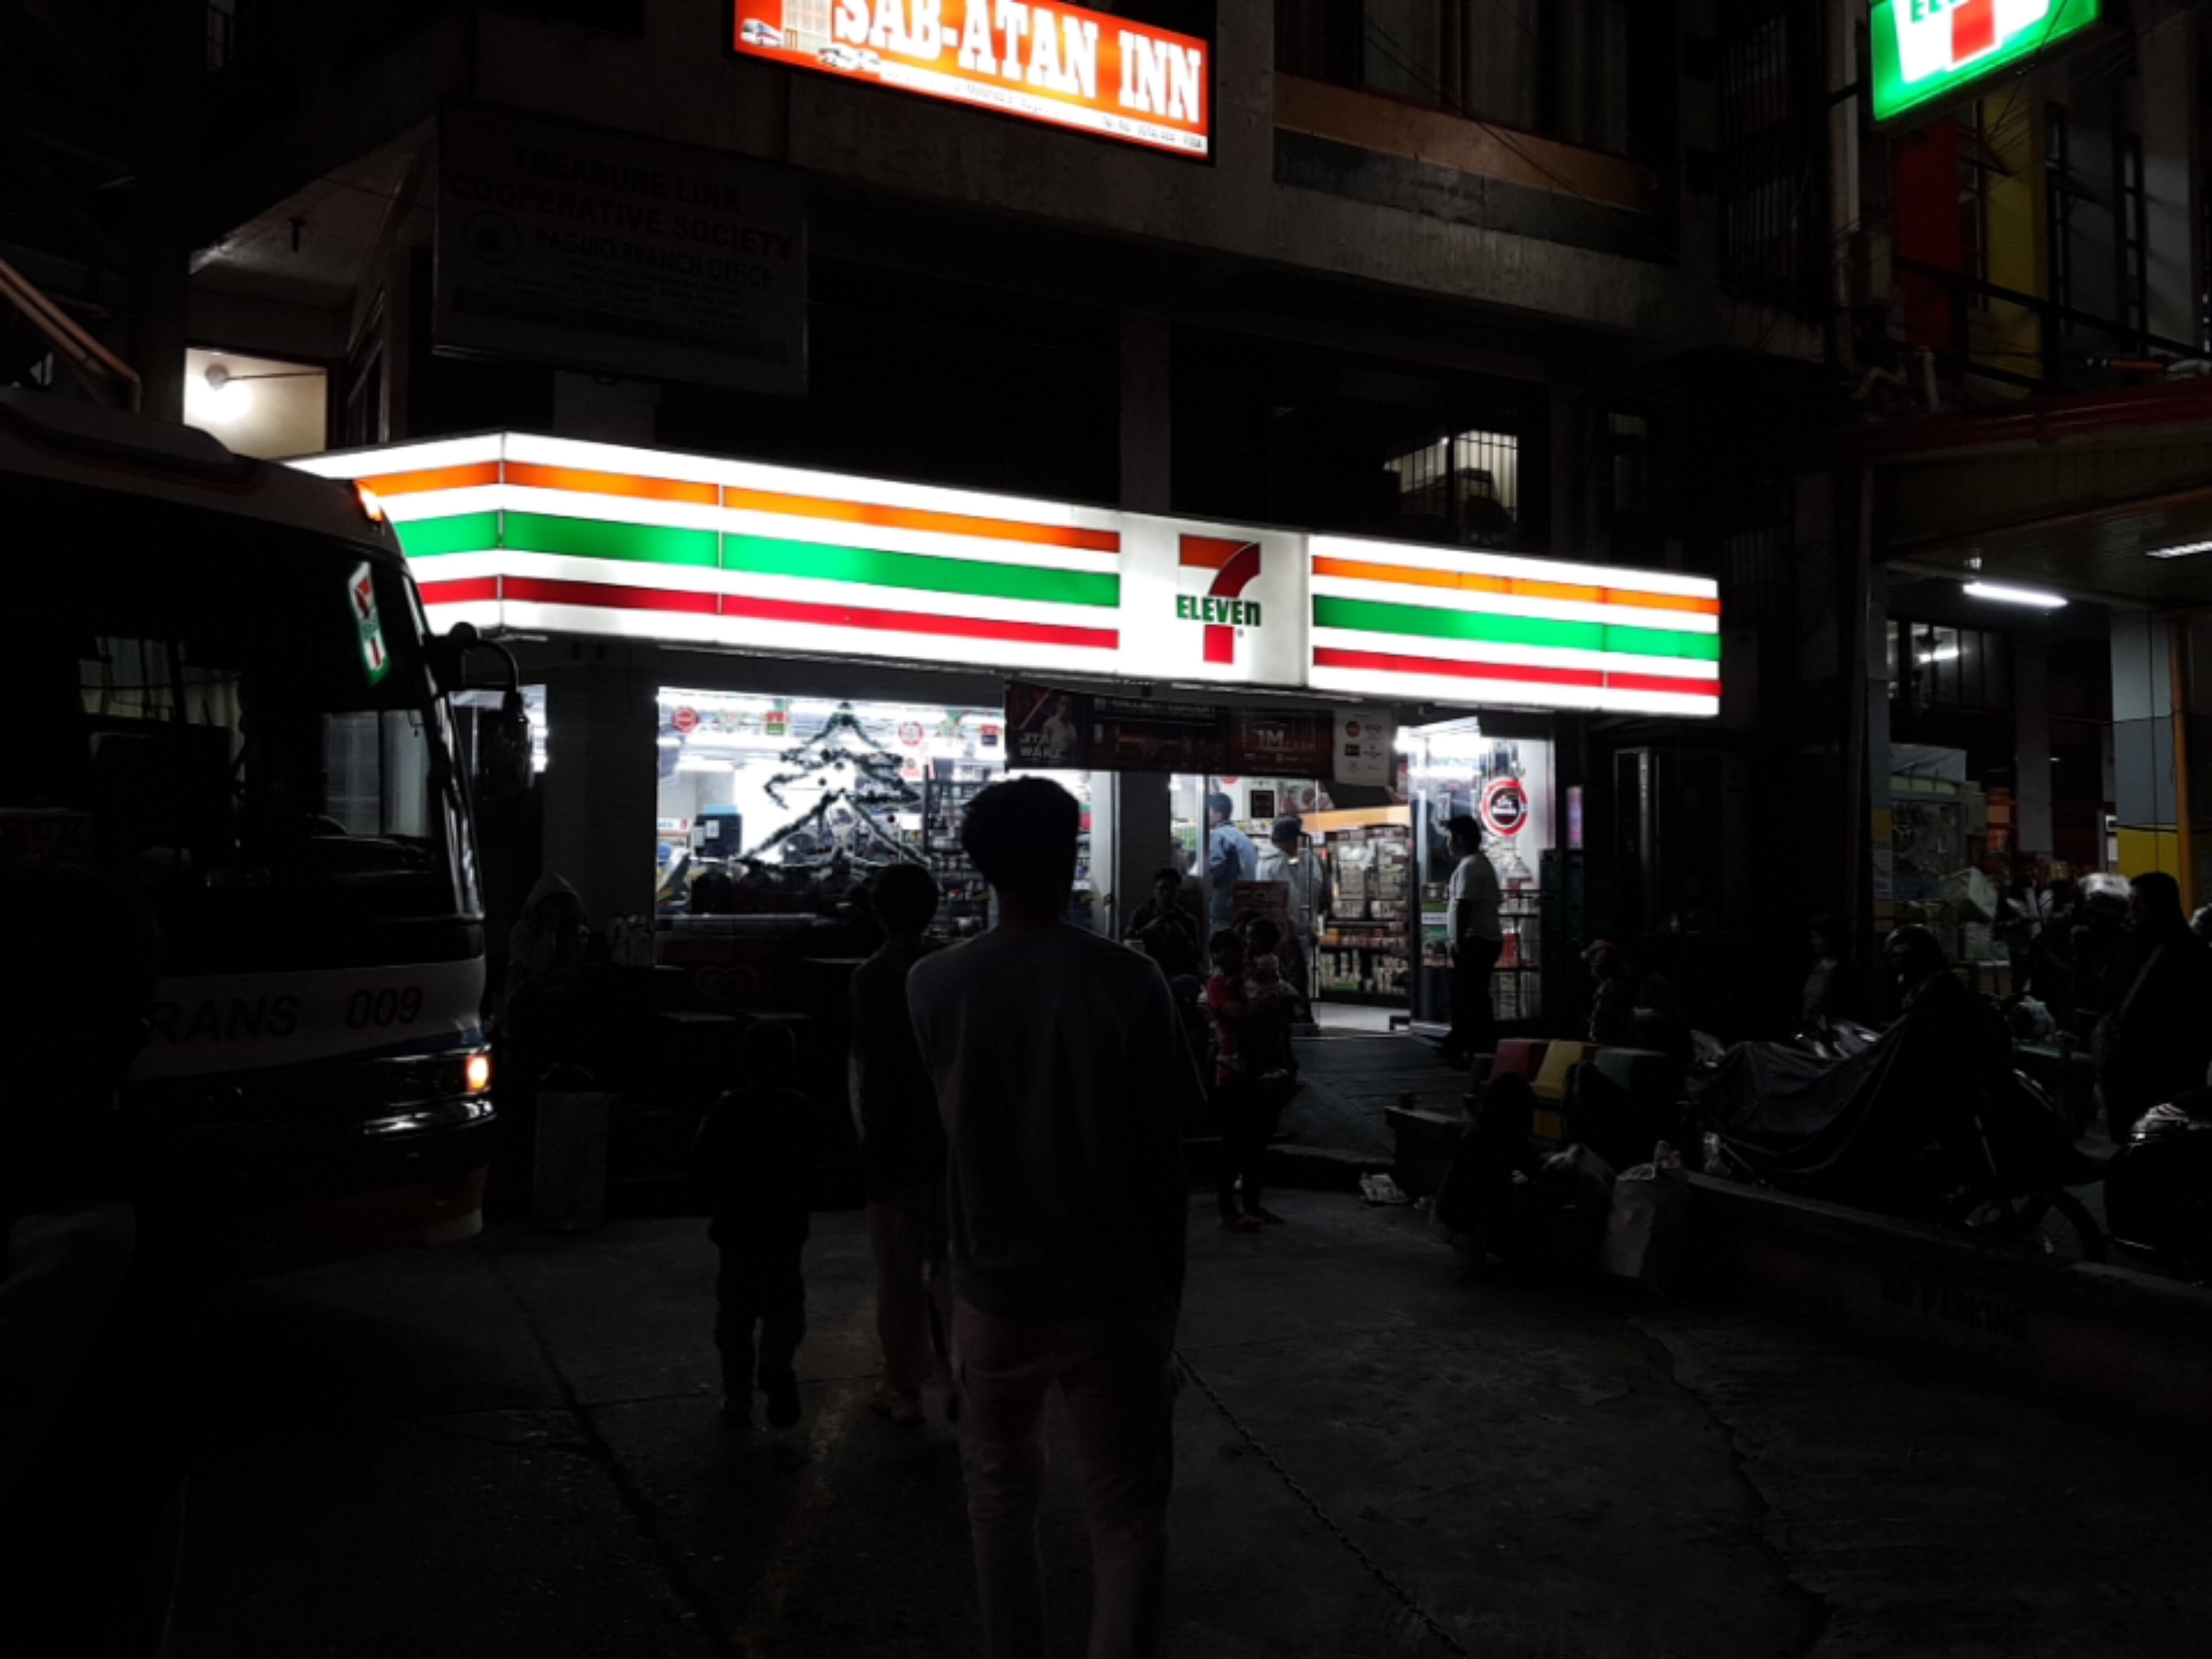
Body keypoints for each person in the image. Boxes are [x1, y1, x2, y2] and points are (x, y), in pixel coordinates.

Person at [907, 777, 1199, 1659]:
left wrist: (939, 1290)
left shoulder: (933, 984)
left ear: (980, 866)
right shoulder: (1129, 981)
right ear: (1072, 857)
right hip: (1112, 1293)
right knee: (1129, 1518)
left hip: (991, 1293)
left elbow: (937, 1150)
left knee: (999, 1506)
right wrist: (1167, 1303)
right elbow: (1164, 1157)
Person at [850, 862, 952, 1426]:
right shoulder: (950, 968)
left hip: (899, 1142)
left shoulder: (874, 977)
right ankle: (963, 1375)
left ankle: (905, 1387)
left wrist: (874, 1147)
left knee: (899, 1272)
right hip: (950, 1137)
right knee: (952, 1265)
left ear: (878, 914)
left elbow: (877, 1071)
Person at [693, 1022, 814, 1429]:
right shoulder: (801, 1109)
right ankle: (776, 1364)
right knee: (784, 1309)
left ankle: (738, 1398)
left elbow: (701, 1165)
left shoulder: (725, 1110)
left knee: (735, 1318)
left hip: (736, 1230)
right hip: (785, 1230)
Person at [2094, 871, 2212, 1134]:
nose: (2133, 911)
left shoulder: (2190, 955)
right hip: (2130, 1068)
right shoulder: (2131, 945)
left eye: (2141, 903)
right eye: (2132, 902)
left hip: (2169, 1071)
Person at [1441, 815, 1503, 1067]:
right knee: (1474, 996)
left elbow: (1464, 906)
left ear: (1460, 839)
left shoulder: (1471, 867)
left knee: (1469, 997)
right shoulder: (1480, 864)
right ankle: (1469, 1045)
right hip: (1483, 940)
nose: (1447, 844)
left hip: (1475, 941)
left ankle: (1471, 1048)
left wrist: (1459, 942)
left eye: (1449, 838)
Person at [1255, 816, 1324, 1006]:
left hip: (1276, 929)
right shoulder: (1280, 863)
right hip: (1288, 931)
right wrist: (1303, 927)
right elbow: (1292, 900)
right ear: (1291, 840)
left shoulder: (1264, 860)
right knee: (1295, 981)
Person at [1123, 867, 1204, 983]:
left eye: (1172, 889)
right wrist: (1147, 930)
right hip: (1148, 973)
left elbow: (1196, 959)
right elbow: (1128, 945)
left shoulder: (1187, 921)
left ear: (1177, 893)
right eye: (1162, 889)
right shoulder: (1140, 915)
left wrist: (1181, 934)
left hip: (1178, 975)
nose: (1166, 894)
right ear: (1155, 891)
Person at [1801, 913, 1867, 1035]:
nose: (1814, 942)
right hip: (1810, 1031)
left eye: (1818, 938)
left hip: (1838, 1034)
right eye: (1813, 938)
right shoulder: (1812, 966)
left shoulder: (1849, 971)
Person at [1204, 792, 1256, 928]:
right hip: (1245, 899)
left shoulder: (1219, 836)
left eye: (1208, 812)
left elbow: (1216, 867)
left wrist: (1202, 885)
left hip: (1226, 902)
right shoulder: (1242, 837)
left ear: (1218, 815)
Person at [1585, 940, 1635, 1047]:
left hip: (1608, 1046)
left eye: (1594, 962)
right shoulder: (1622, 986)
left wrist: (1595, 1041)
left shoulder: (1608, 988)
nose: (1592, 967)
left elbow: (1599, 1024)